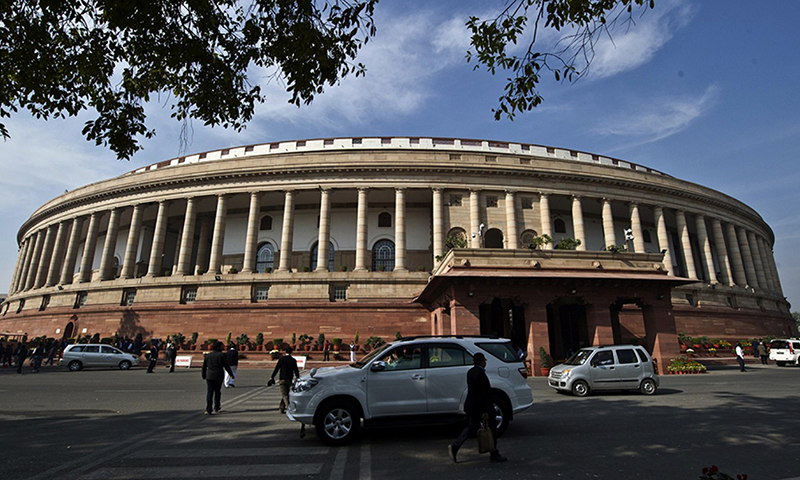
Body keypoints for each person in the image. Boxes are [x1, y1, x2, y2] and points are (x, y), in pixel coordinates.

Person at [449, 352, 507, 463]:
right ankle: (494, 452)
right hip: (481, 406)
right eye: (484, 360)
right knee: (492, 428)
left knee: (472, 427)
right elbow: (482, 394)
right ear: (482, 361)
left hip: (472, 405)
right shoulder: (480, 374)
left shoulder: (471, 372)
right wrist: (485, 411)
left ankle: (455, 446)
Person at [201, 341, 234, 415]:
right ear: (218, 347)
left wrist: (203, 375)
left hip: (209, 376)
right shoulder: (222, 355)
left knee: (209, 392)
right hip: (218, 375)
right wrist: (231, 374)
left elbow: (204, 366)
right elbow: (226, 365)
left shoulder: (208, 355)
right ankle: (216, 406)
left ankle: (209, 409)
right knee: (217, 392)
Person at [270, 346, 300, 414]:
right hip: (289, 379)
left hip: (282, 378)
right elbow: (296, 370)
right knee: (285, 394)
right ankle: (281, 408)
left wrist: (272, 377)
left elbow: (277, 368)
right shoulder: (293, 360)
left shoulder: (282, 359)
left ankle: (289, 408)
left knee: (285, 395)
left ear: (285, 352)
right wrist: (298, 377)